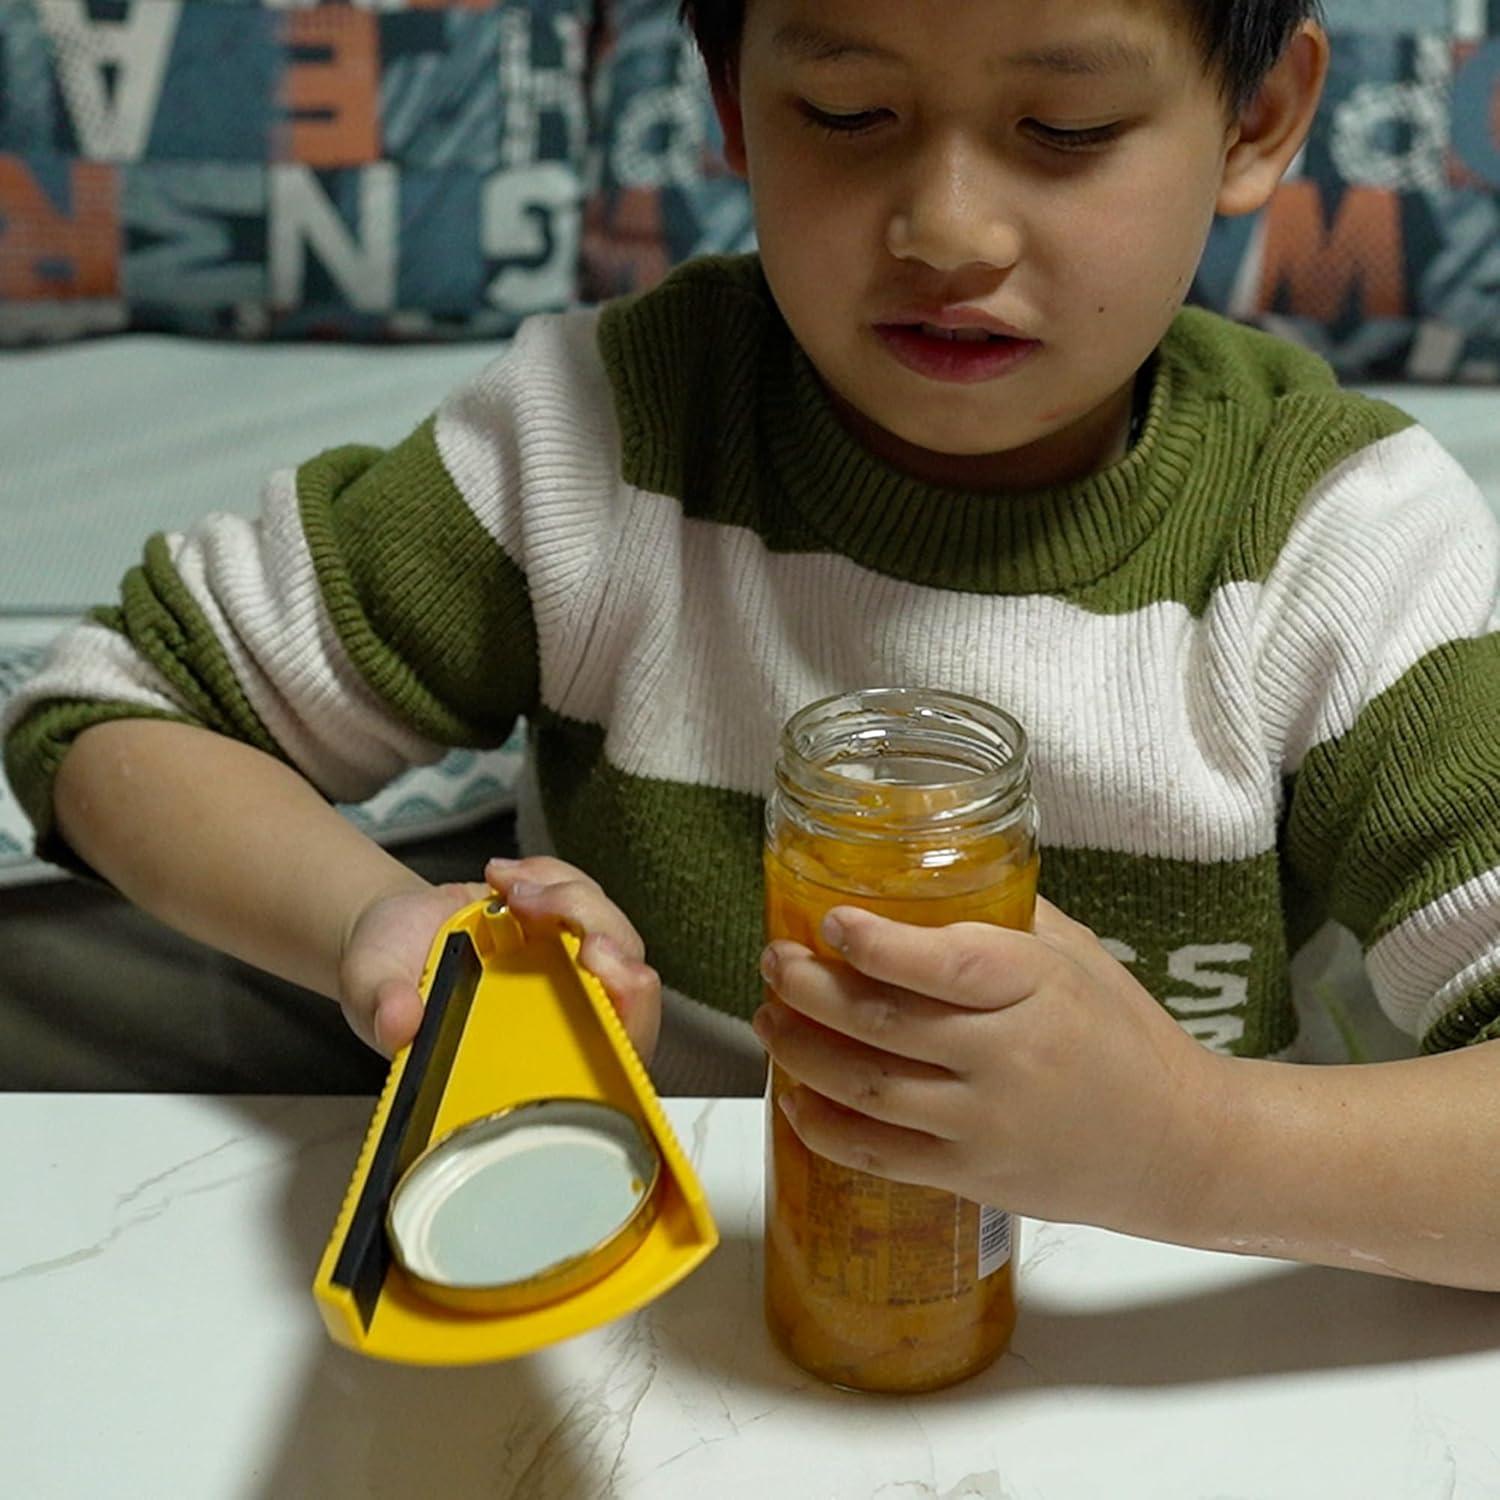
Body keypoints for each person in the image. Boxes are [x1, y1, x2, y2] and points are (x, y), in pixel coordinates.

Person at [5, 0, 1499, 1289]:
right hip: (642, 1298)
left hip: (1154, 1330)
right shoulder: (607, 442)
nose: (946, 230)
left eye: (1066, 126)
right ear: (730, 107)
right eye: (848, 113)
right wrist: (381, 927)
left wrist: (1194, 1144)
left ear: (1260, 117)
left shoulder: (1339, 544)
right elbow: (109, 712)